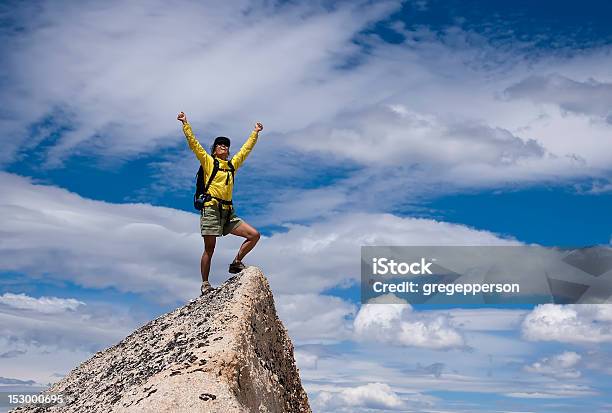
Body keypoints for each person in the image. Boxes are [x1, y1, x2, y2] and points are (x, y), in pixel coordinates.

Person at [177, 111, 262, 295]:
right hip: (211, 209)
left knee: (254, 235)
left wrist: (255, 133)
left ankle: (236, 262)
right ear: (214, 149)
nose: (224, 147)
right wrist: (185, 124)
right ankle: (205, 283)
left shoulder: (232, 165)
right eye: (220, 145)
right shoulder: (209, 162)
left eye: (226, 146)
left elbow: (245, 150)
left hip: (228, 212)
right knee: (209, 248)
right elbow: (195, 145)